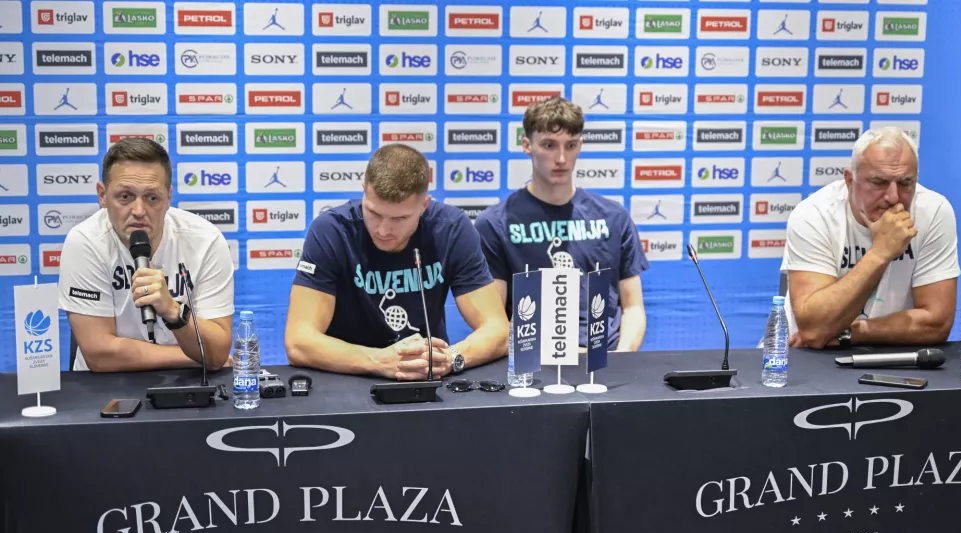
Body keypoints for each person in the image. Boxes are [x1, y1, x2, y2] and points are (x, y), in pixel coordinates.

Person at [285, 144, 508, 380]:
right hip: (347, 376)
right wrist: (380, 362)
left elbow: (498, 331)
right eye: (374, 213)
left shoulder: (451, 229)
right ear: (364, 190)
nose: (383, 230)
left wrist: (451, 358)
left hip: (425, 375)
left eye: (400, 218)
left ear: (424, 205)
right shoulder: (332, 231)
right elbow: (299, 341)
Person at [474, 96, 649, 351]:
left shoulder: (614, 217)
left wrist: (622, 361)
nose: (561, 158)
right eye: (549, 145)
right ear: (526, 145)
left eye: (570, 145)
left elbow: (633, 307)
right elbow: (494, 321)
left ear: (581, 145)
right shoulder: (495, 223)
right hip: (534, 364)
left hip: (605, 360)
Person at [58, 138, 235, 371]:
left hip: (187, 383)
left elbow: (217, 351)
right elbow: (100, 355)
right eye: (125, 196)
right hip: (104, 388)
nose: (139, 211)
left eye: (152, 198)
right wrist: (190, 357)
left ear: (169, 197)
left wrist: (173, 311)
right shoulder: (85, 242)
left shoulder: (205, 240)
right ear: (102, 195)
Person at [781, 126, 960, 349]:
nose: (894, 197)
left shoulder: (933, 211)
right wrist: (880, 253)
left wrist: (851, 333)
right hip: (808, 360)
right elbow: (814, 329)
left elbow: (936, 323)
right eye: (879, 182)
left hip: (891, 353)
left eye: (905, 183)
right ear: (849, 181)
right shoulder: (814, 214)